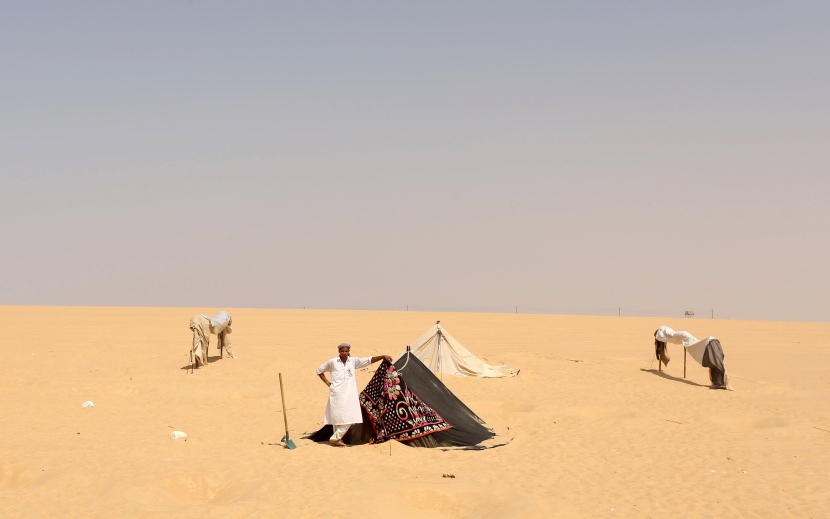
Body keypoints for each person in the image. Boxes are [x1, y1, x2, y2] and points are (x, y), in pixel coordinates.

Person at [316, 343, 392, 447]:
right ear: (339, 351)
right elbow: (319, 370)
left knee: (351, 416)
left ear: (349, 351)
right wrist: (328, 383)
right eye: (342, 351)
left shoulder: (353, 361)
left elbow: (368, 360)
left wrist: (382, 356)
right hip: (336, 393)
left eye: (346, 351)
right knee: (336, 416)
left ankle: (335, 438)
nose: (344, 353)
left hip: (349, 394)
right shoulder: (332, 362)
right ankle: (337, 439)